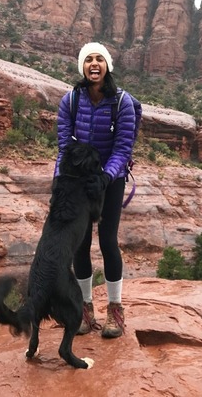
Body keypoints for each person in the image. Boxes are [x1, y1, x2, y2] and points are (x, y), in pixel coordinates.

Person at [55, 42, 137, 338]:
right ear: (82, 66)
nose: (93, 64)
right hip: (78, 181)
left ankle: (115, 309)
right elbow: (64, 145)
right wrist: (60, 182)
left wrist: (105, 177)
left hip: (109, 182)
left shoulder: (122, 102)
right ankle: (84, 308)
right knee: (80, 244)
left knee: (107, 242)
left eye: (99, 59)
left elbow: (123, 146)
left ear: (107, 66)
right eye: (88, 59)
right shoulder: (70, 101)